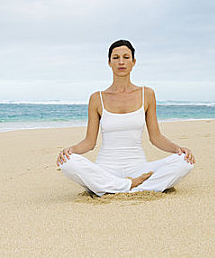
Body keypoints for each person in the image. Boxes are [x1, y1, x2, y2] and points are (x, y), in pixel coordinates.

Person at [56, 39, 195, 197]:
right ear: (109, 63)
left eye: (126, 57)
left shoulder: (147, 94)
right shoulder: (97, 98)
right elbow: (89, 142)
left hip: (138, 169)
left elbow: (156, 137)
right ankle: (132, 186)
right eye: (115, 58)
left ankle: (115, 188)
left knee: (185, 161)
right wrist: (71, 150)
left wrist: (178, 149)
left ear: (134, 62)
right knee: (67, 162)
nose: (121, 61)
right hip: (106, 169)